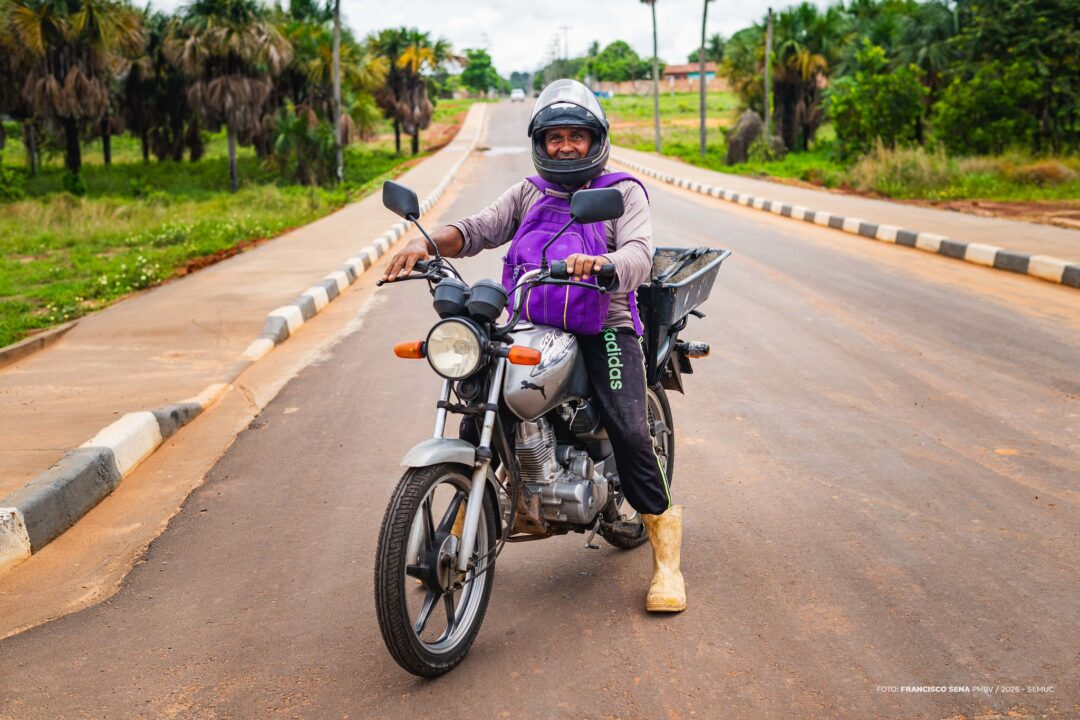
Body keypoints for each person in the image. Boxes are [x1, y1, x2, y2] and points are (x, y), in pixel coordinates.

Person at [382, 79, 685, 613]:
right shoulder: (529, 192)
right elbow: (478, 229)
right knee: (479, 410)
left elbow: (639, 253)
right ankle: (464, 519)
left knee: (631, 429)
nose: (565, 147)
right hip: (533, 319)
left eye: (577, 137)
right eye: (554, 138)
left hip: (605, 325)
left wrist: (607, 265)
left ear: (597, 141)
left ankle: (666, 559)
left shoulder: (624, 191)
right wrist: (425, 242)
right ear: (540, 144)